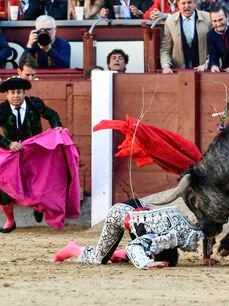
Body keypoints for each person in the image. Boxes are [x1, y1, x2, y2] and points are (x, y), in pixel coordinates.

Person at [53, 199, 206, 269]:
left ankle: (115, 255)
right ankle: (72, 248)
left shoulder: (179, 233)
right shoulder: (152, 239)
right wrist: (147, 263)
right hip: (118, 214)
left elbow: (204, 233)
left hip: (141, 206)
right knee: (99, 259)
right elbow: (134, 248)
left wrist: (207, 256)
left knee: (136, 244)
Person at [0, 77, 63, 233]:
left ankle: (39, 207)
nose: (16, 95)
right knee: (3, 185)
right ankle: (10, 220)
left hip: (35, 152)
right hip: (12, 154)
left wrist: (56, 127)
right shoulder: (1, 110)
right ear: (7, 95)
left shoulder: (35, 104)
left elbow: (52, 115)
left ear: (24, 93)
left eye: (19, 92)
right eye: (12, 92)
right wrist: (8, 143)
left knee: (39, 181)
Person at [160, 0, 211, 73]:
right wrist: (166, 66)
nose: (187, 6)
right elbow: (165, 48)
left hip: (205, 71)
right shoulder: (170, 21)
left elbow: (215, 45)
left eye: (189, 2)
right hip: (180, 72)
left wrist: (207, 64)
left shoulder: (208, 18)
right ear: (178, 4)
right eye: (183, 3)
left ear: (195, 3)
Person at [82, 0, 152, 19]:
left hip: (139, 32)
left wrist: (140, 13)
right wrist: (105, 15)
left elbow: (149, 14)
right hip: (117, 32)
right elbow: (110, 16)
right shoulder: (110, 1)